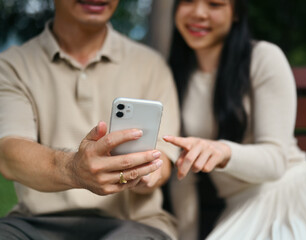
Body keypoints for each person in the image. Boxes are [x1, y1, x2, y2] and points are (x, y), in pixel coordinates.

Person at [163, 0, 306, 239]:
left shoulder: (264, 57)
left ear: (236, 13)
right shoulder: (175, 74)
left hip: (294, 200)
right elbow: (183, 176)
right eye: (188, 1)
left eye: (215, 4)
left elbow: (275, 160)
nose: (199, 13)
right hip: (241, 209)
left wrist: (223, 151)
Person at [0, 0, 180, 239]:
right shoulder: (12, 66)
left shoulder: (151, 65)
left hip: (132, 224)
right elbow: (9, 155)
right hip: (34, 224)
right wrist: (74, 169)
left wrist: (146, 173)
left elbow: (164, 160)